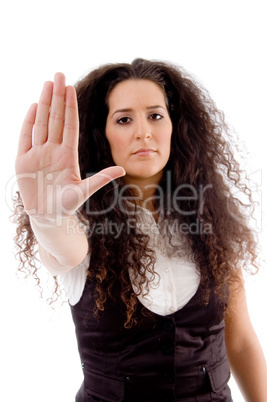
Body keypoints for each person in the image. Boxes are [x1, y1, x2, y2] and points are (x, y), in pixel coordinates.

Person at [13, 58, 267, 401]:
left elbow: (240, 340)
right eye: (123, 119)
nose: (143, 131)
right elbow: (60, 246)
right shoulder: (81, 222)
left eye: (155, 115)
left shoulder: (211, 220)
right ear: (100, 134)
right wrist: (46, 216)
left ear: (175, 126)